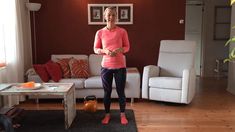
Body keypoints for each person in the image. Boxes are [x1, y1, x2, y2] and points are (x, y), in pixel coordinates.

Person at [93, 6, 130, 125]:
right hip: (106, 67)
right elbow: (95, 49)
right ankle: (107, 115)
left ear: (116, 17)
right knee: (107, 92)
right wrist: (105, 51)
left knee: (121, 92)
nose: (111, 17)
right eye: (109, 14)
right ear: (104, 17)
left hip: (120, 66)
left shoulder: (122, 31)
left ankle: (123, 115)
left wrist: (120, 50)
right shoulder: (100, 32)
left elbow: (127, 47)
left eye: (113, 15)